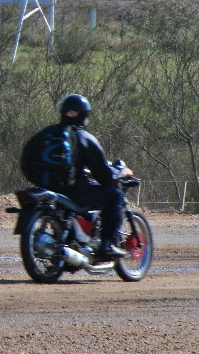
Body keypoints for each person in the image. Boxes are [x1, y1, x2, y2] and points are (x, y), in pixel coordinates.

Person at [21, 94, 127, 260]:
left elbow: (25, 161)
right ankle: (107, 245)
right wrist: (116, 175)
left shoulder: (44, 134)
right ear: (85, 115)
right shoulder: (83, 137)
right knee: (115, 196)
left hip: (45, 187)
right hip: (73, 191)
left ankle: (73, 243)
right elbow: (103, 174)